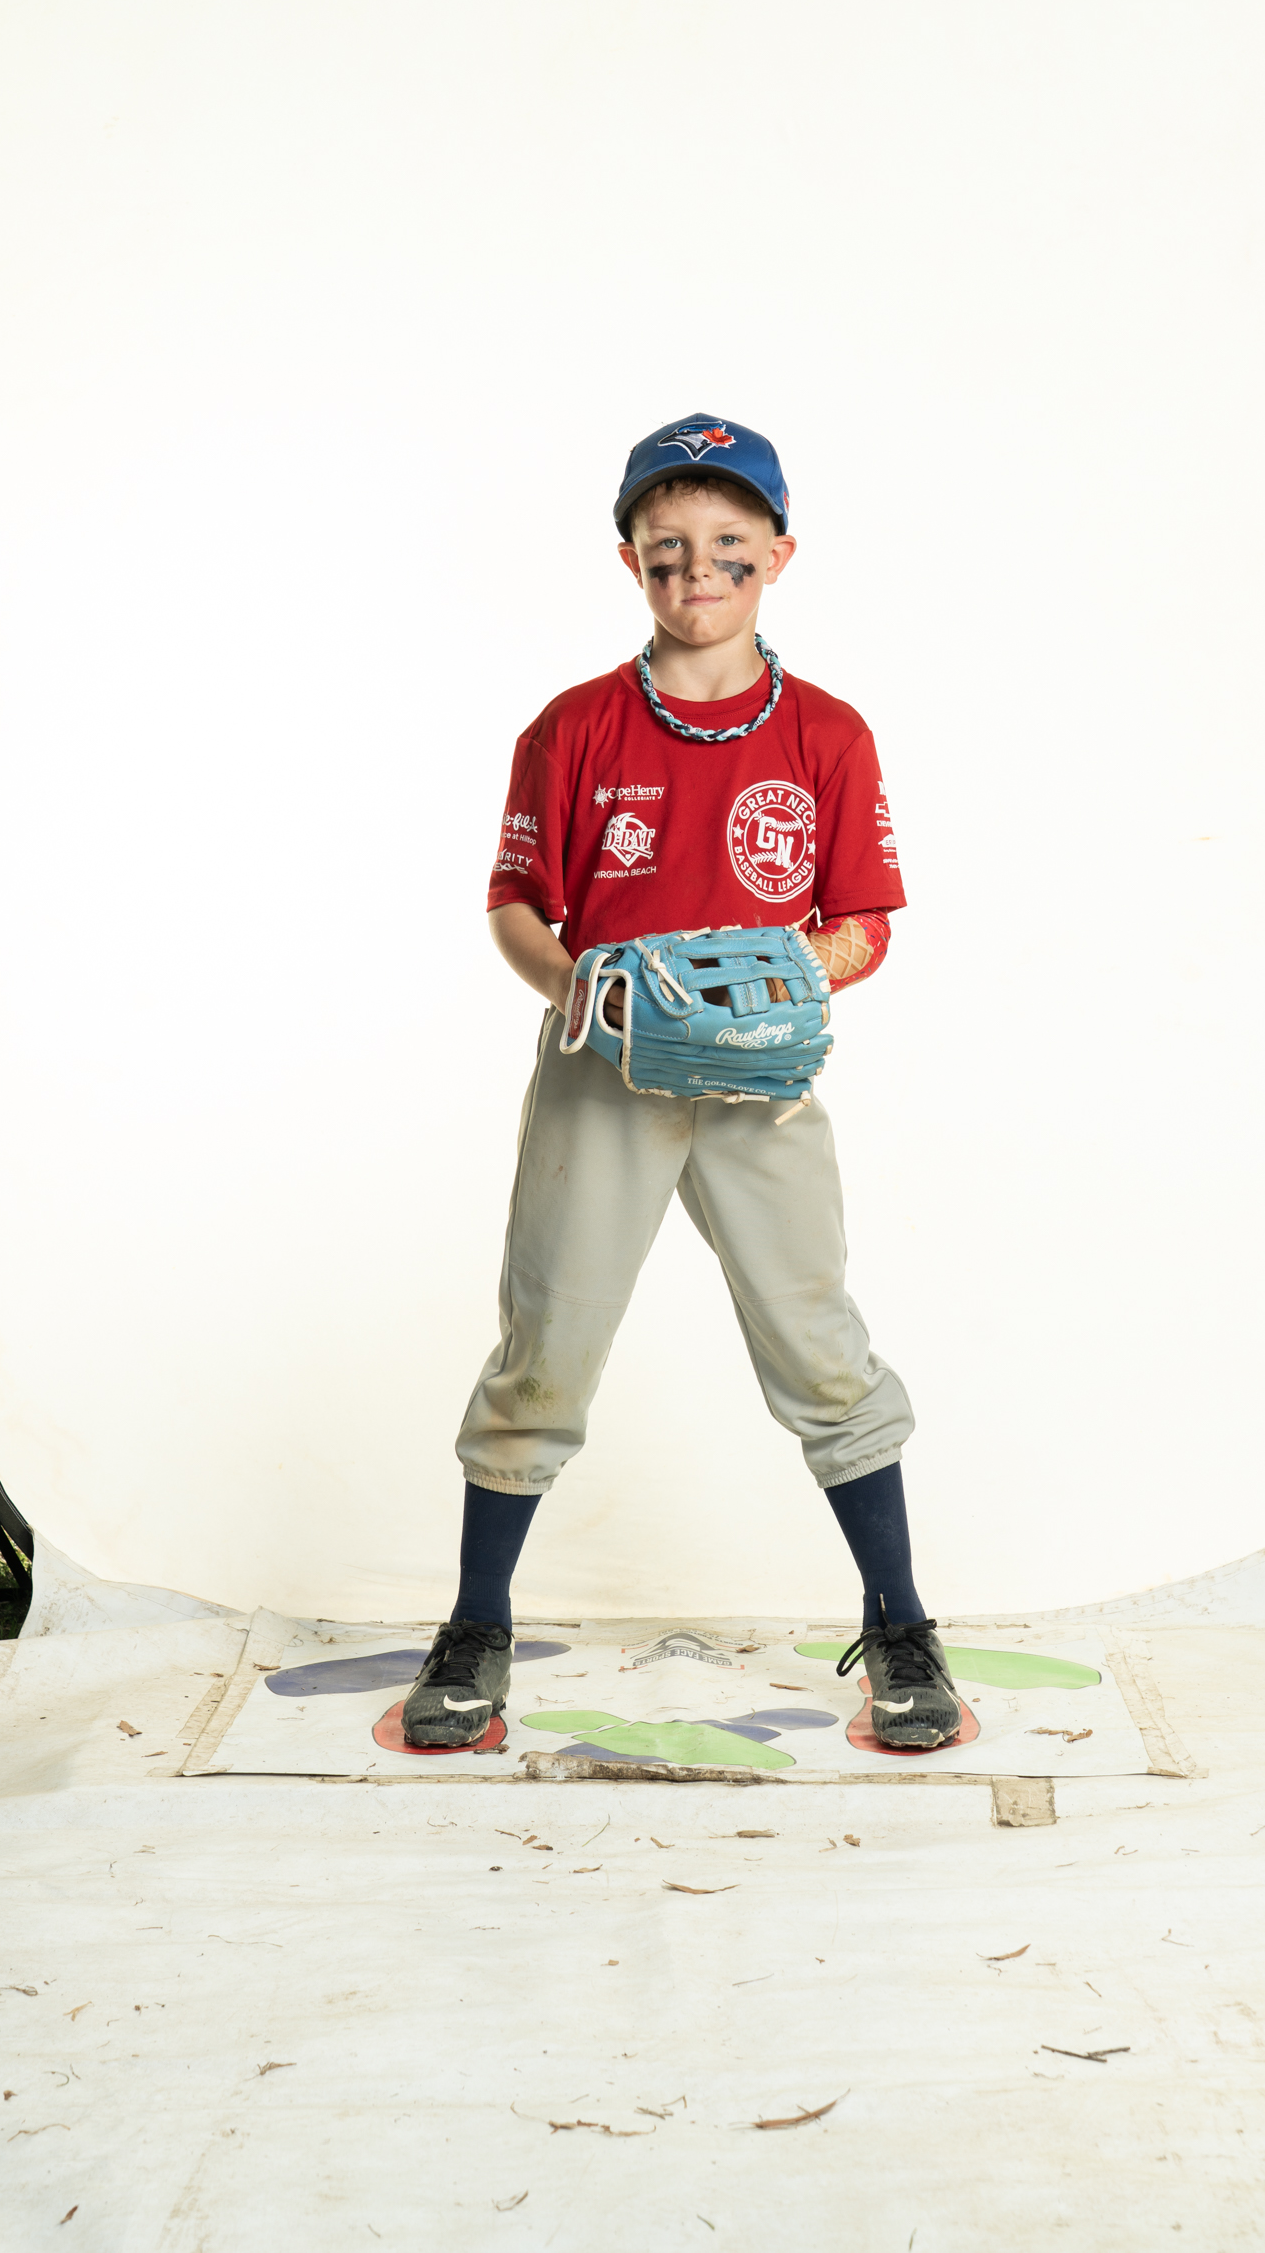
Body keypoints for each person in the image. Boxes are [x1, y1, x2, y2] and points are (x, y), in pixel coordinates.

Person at [400, 414, 961, 1753]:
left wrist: (781, 979)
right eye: (666, 548)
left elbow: (863, 921)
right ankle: (476, 1622)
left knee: (818, 1341)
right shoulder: (574, 727)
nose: (697, 571)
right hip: (608, 1070)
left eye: (726, 544)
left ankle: (899, 1623)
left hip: (760, 1076)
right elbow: (517, 903)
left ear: (777, 553)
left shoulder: (826, 733)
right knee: (546, 1342)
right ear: (631, 560)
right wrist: (583, 990)